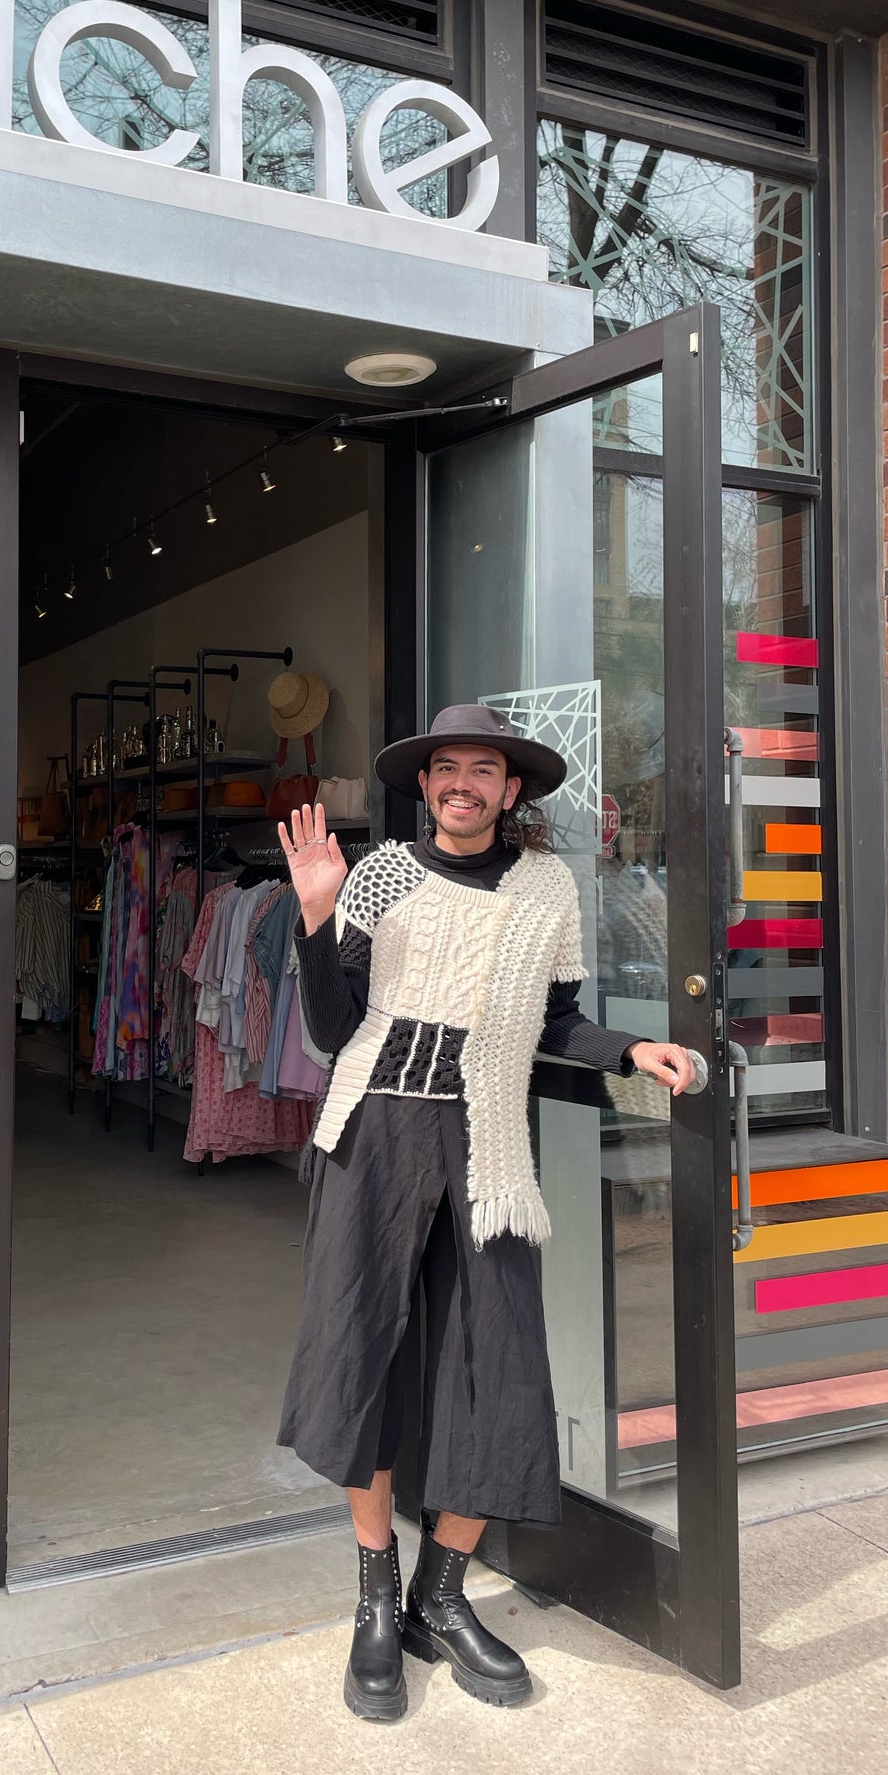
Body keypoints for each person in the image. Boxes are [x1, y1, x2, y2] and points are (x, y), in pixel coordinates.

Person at [275, 703, 694, 1722]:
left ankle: (441, 1594)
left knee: (496, 1361)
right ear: (424, 786)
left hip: (485, 1142)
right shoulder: (377, 874)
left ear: (512, 790)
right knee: (360, 1349)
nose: (462, 782)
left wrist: (629, 1052)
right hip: (373, 1129)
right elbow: (332, 1031)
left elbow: (558, 1018)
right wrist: (318, 913)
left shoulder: (548, 886)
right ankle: (377, 1596)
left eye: (484, 769)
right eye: (445, 767)